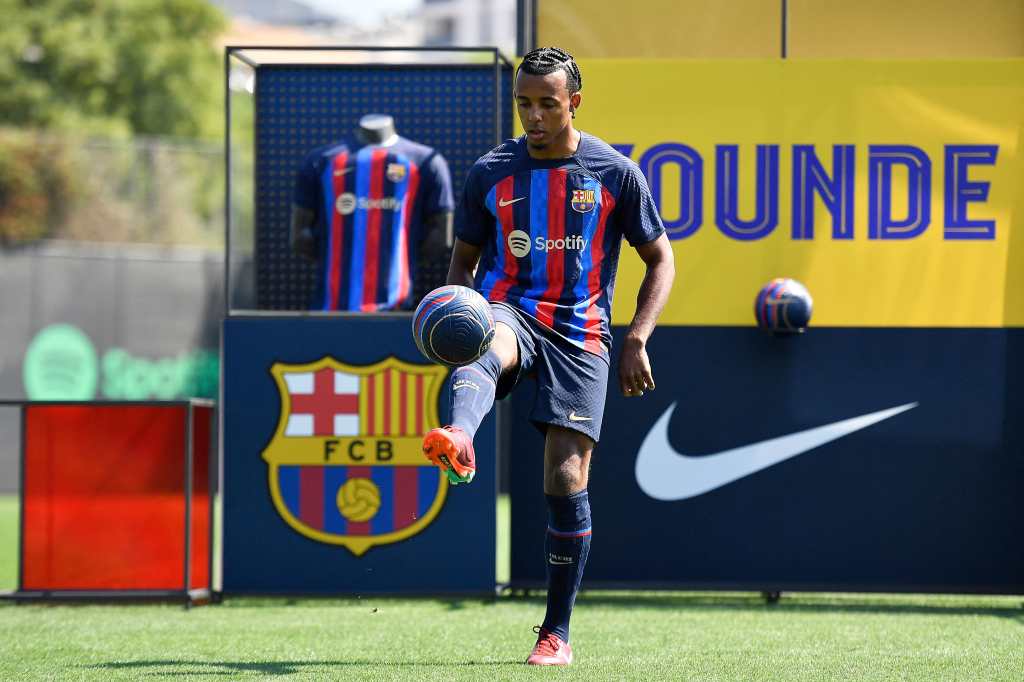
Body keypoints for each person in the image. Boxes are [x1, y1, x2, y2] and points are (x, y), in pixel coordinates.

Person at [421, 47, 675, 666]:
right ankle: (459, 436)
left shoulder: (615, 173)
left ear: (574, 103)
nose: (533, 116)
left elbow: (661, 259)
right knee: (488, 344)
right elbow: (464, 262)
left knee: (564, 475)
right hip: (510, 309)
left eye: (547, 104)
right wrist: (459, 315)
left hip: (582, 332)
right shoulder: (491, 171)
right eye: (524, 104)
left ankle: (555, 632)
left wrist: (637, 337)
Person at [291, 114, 453, 311]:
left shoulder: (427, 161)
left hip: (398, 310)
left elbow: (441, 236)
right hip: (331, 312)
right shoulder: (320, 161)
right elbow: (299, 237)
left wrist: (405, 260)